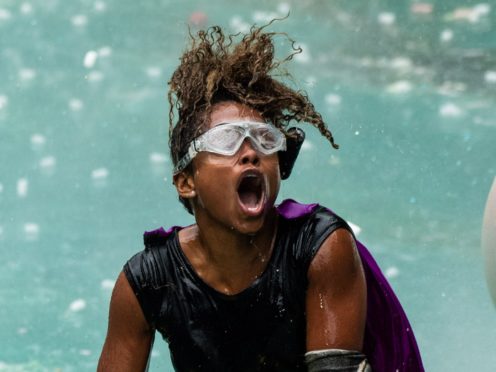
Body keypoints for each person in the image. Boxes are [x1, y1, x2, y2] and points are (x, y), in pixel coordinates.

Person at [98, 24, 423, 371]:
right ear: (186, 182)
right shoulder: (148, 281)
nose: (250, 153)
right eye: (227, 141)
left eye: (264, 139)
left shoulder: (319, 248)